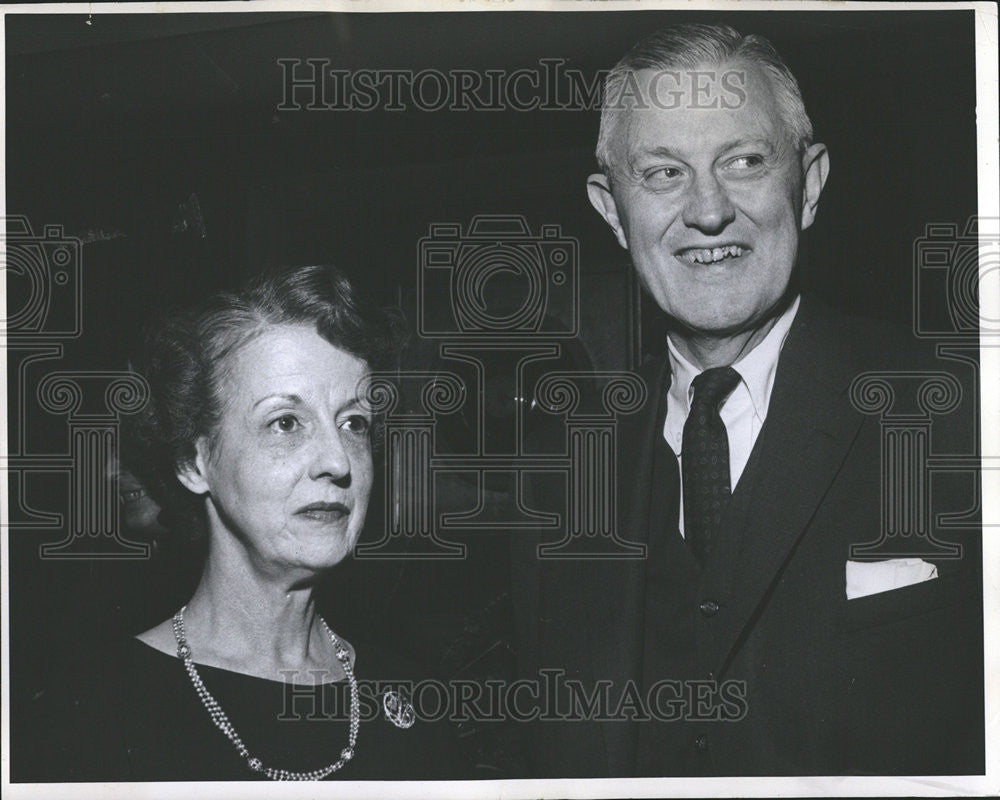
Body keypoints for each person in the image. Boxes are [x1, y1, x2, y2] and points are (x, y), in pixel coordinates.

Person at [510, 24, 983, 777]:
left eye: (744, 161)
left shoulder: (961, 410)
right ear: (611, 211)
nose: (707, 211)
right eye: (663, 173)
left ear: (812, 183)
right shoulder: (562, 471)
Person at [26, 264, 457, 781]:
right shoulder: (91, 715)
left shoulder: (415, 701)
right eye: (285, 423)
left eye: (354, 422)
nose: (338, 461)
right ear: (194, 462)